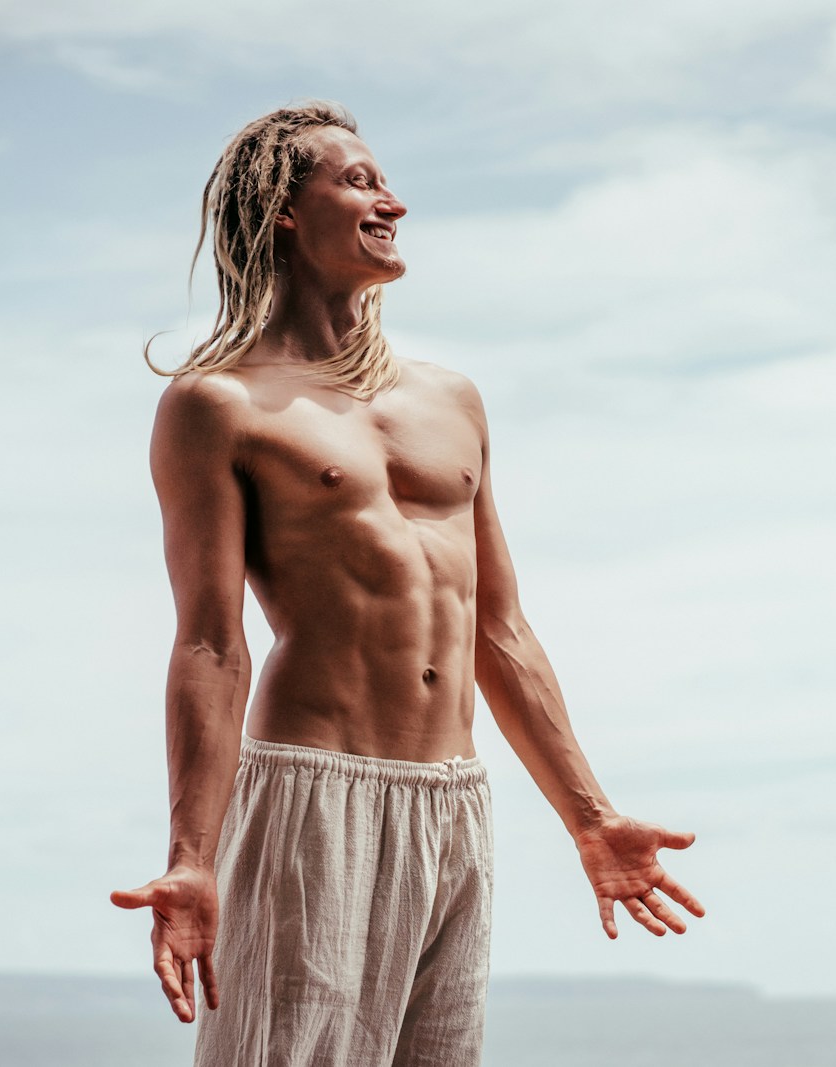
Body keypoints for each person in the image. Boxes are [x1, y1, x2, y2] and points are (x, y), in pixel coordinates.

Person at [109, 100, 704, 1067]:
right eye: (358, 181)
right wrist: (193, 853)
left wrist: (590, 818)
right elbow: (213, 644)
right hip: (311, 793)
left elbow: (497, 628)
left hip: (452, 804)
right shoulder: (217, 404)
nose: (393, 201)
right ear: (285, 213)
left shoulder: (450, 399)